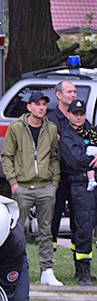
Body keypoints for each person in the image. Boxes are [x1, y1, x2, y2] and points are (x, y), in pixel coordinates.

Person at [1, 91, 62, 286]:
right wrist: (13, 183)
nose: (41, 108)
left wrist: (54, 183)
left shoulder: (51, 128)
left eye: (44, 104)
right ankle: (16, 268)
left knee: (46, 229)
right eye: (37, 104)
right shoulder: (16, 127)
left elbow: (54, 157)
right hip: (23, 187)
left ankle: (47, 270)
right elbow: (7, 156)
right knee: (17, 230)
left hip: (46, 186)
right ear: (29, 107)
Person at [58, 99, 97, 285]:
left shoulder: (91, 131)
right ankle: (83, 272)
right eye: (75, 114)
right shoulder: (66, 137)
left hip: (93, 184)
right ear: (69, 115)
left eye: (81, 114)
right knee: (83, 227)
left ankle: (83, 269)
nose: (79, 117)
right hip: (80, 186)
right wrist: (90, 159)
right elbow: (77, 161)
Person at [49, 80, 78, 247]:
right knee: (54, 214)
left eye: (74, 91)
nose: (73, 95)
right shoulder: (50, 120)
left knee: (76, 215)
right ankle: (49, 255)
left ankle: (77, 252)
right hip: (56, 175)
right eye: (69, 92)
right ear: (59, 95)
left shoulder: (79, 116)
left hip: (74, 175)